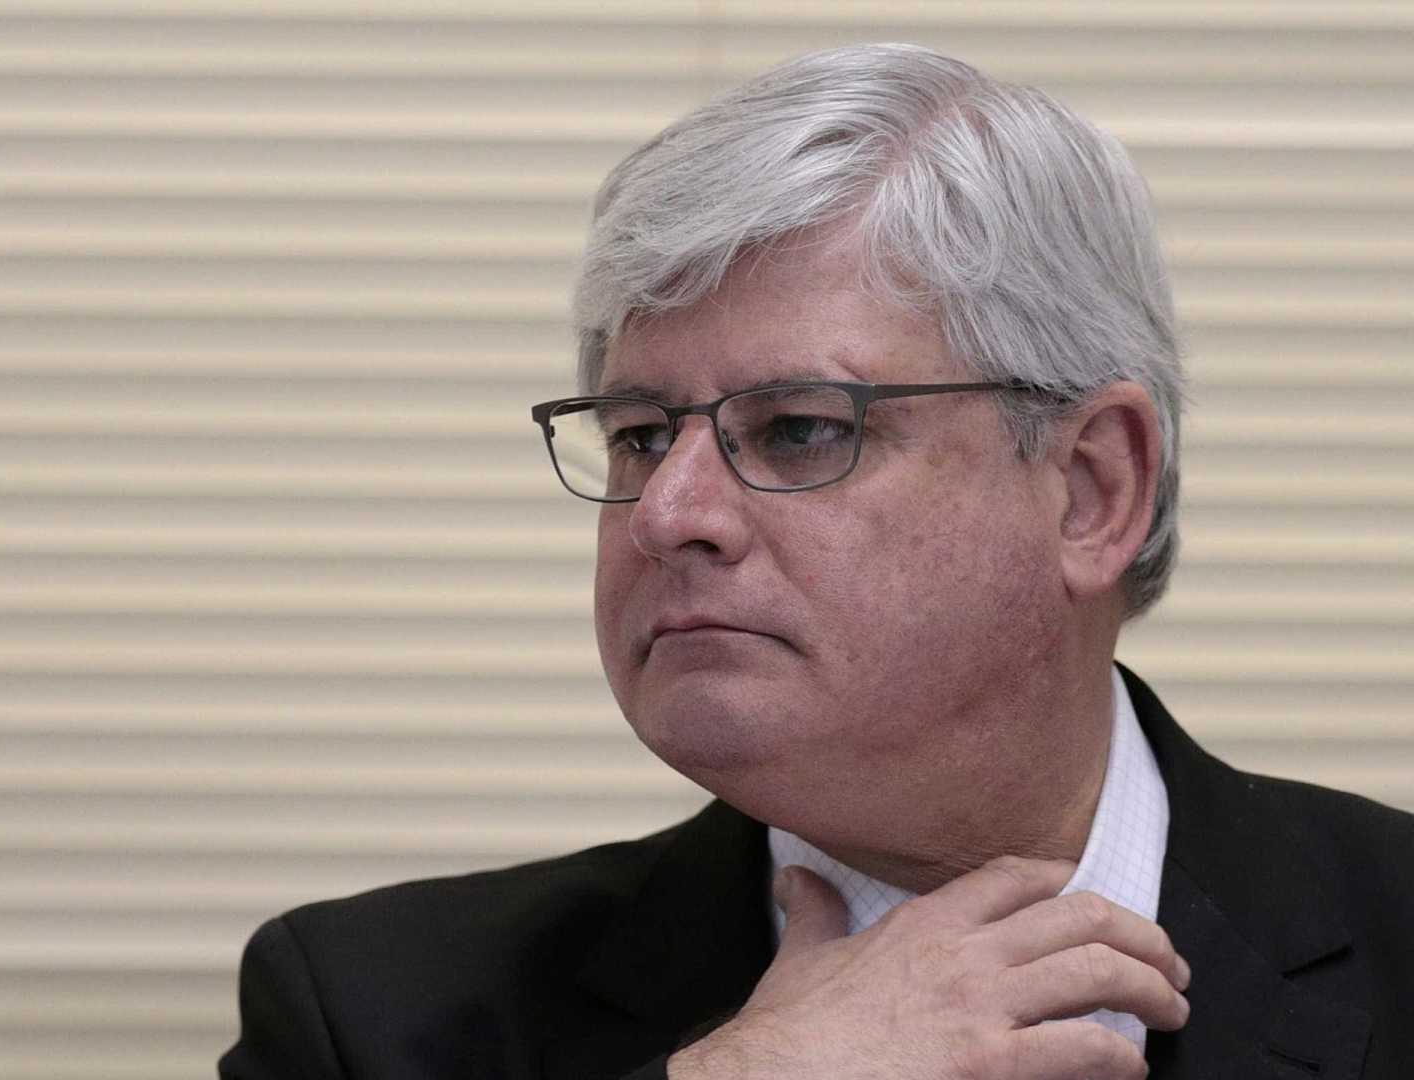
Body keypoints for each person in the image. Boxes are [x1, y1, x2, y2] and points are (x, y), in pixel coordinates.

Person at [218, 43, 1414, 1079]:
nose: (667, 513)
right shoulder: (372, 1016)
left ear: (1092, 490)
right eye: (641, 434)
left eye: (798, 429)